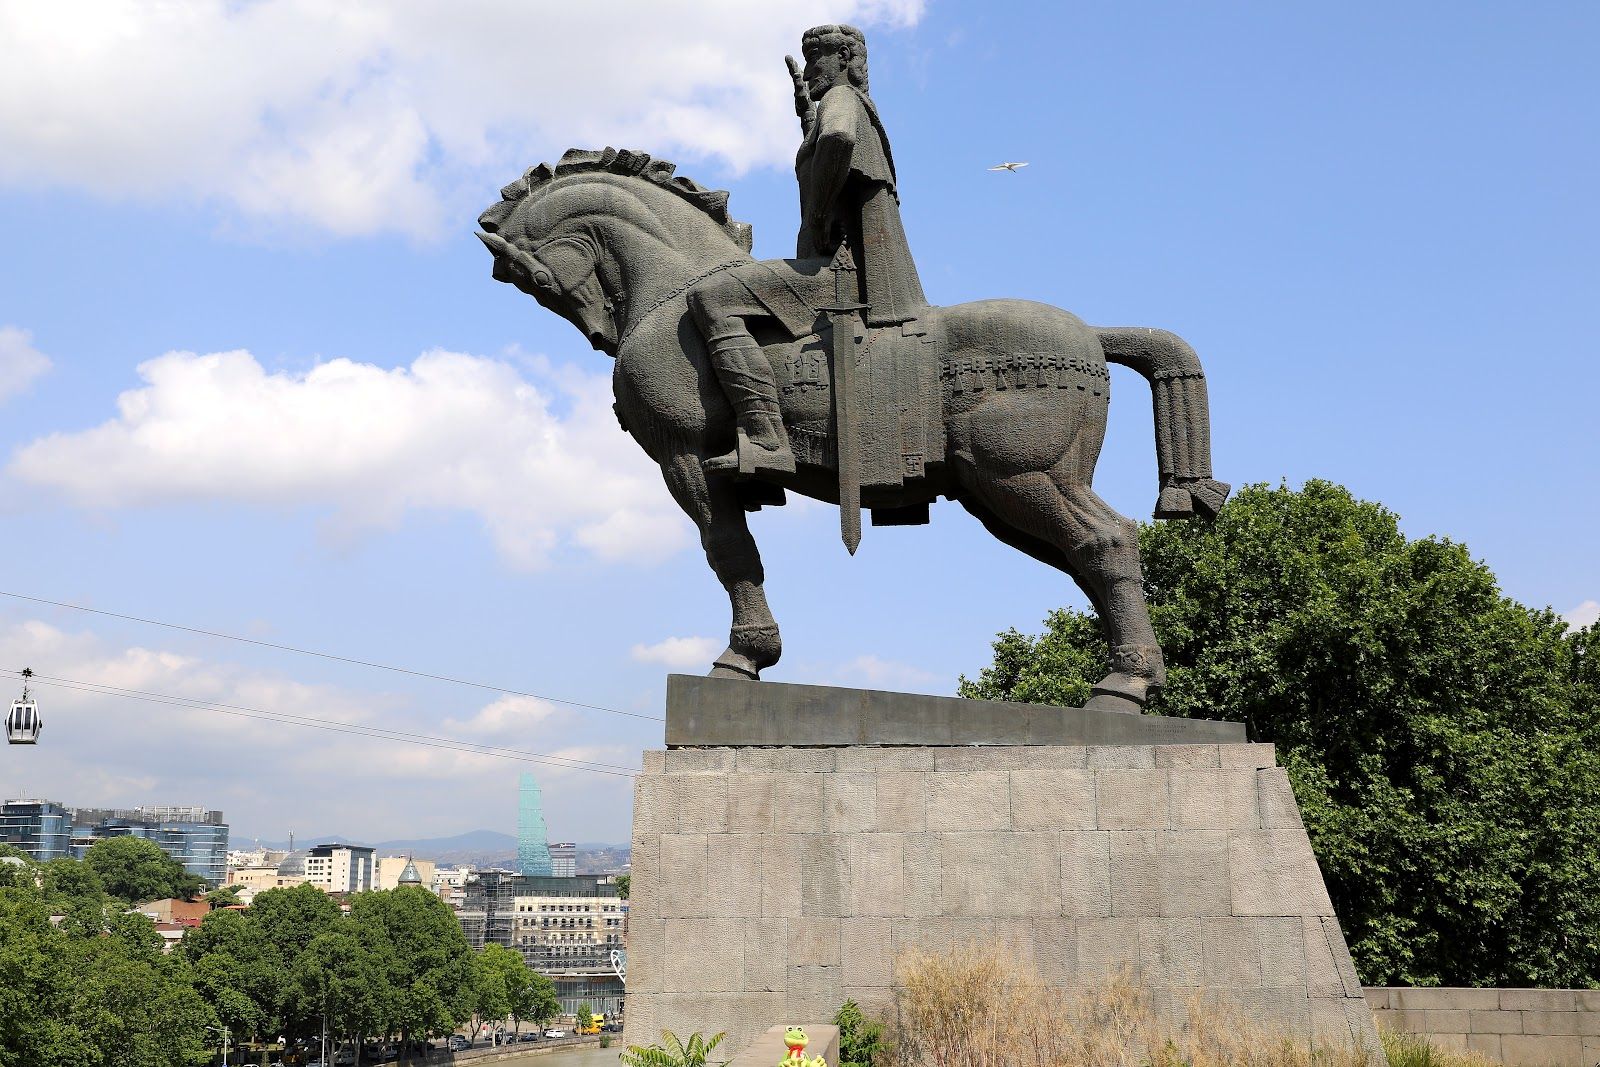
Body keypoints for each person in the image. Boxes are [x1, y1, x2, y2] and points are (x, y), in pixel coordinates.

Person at [687, 23, 927, 477]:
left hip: (838, 272)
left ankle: (765, 438)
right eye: (809, 57)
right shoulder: (848, 104)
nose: (812, 67)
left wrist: (816, 212)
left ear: (843, 61)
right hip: (845, 266)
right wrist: (807, 117)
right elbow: (827, 140)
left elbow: (838, 140)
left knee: (711, 297)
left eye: (818, 57)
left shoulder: (842, 99)